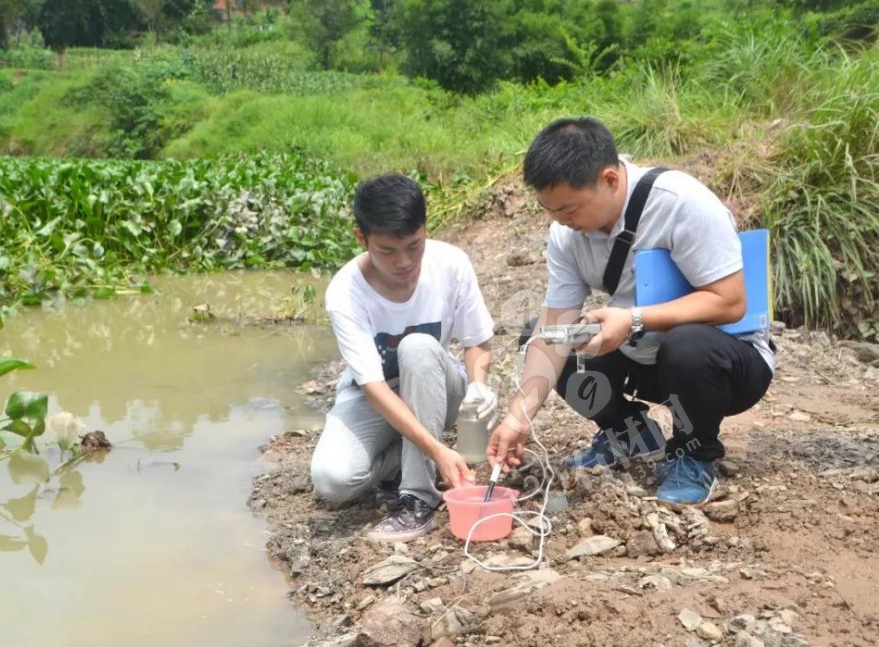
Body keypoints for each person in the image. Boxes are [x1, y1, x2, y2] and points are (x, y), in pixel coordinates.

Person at [488, 117, 775, 505]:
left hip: (723, 366)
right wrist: (518, 416)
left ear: (609, 179)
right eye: (550, 211)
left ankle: (694, 451)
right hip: (645, 356)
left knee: (687, 344)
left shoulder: (680, 203)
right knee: (551, 336)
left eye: (570, 210)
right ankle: (629, 435)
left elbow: (730, 301)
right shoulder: (566, 234)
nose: (562, 223)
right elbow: (554, 323)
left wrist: (633, 318)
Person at [310, 173, 497, 542]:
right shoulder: (346, 293)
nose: (404, 262)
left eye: (414, 246)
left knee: (417, 346)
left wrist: (478, 386)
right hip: (376, 397)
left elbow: (477, 341)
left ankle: (417, 498)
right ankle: (414, 452)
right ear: (361, 238)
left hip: (438, 388)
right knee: (333, 480)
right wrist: (437, 449)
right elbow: (374, 388)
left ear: (425, 228)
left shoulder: (451, 264)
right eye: (387, 251)